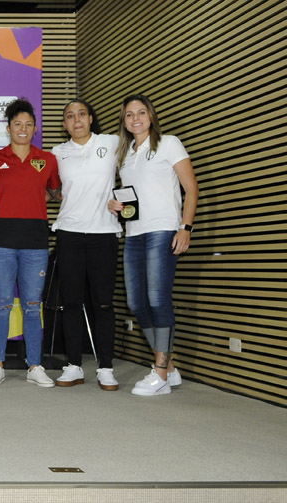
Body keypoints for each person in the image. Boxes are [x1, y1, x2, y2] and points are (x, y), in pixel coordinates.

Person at [108, 94, 198, 396]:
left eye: (141, 112)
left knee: (158, 300)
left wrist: (185, 228)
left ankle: (159, 372)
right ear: (124, 121)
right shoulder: (125, 154)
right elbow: (133, 197)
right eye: (129, 114)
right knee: (136, 303)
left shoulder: (169, 143)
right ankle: (169, 368)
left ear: (151, 116)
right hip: (134, 234)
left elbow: (191, 188)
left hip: (163, 230)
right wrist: (116, 206)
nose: (135, 118)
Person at [0, 97, 60, 388]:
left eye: (28, 124)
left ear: (35, 128)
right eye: (18, 124)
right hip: (1, 240)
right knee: (2, 305)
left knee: (32, 306)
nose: (23, 129)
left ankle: (35, 365)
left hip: (35, 241)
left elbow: (56, 192)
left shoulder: (47, 159)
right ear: (8, 128)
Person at [51, 99, 122, 390]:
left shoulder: (112, 143)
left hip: (103, 234)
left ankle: (105, 367)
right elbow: (54, 189)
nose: (76, 119)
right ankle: (73, 366)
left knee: (103, 303)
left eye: (81, 114)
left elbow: (134, 172)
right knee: (71, 302)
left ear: (91, 118)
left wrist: (122, 199)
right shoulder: (57, 153)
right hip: (69, 233)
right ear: (64, 124)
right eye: (70, 116)